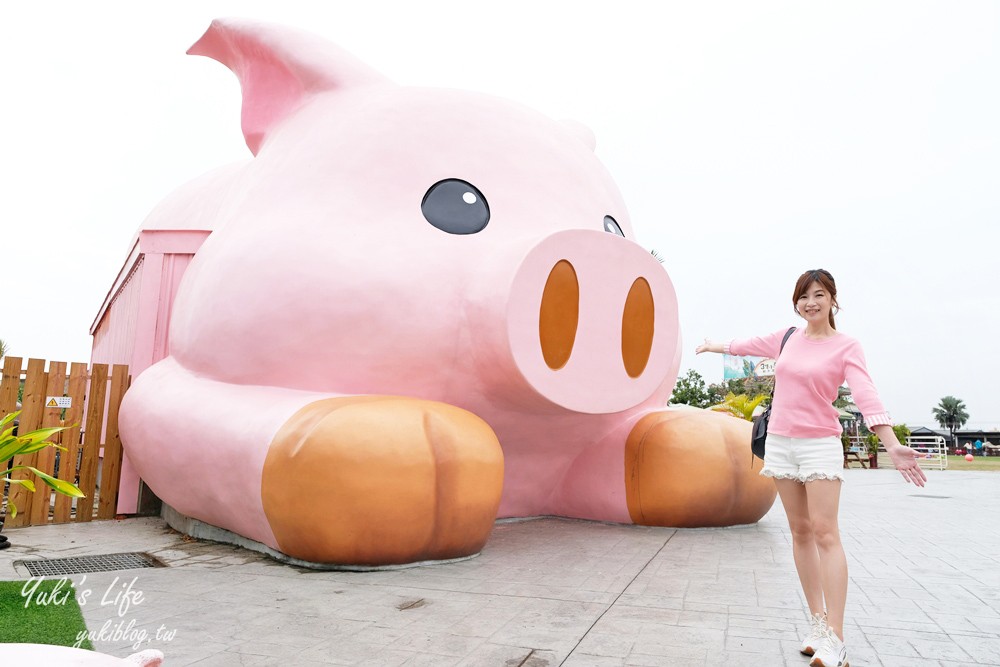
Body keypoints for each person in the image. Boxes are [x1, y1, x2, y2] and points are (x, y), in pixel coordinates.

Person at [696, 268, 927, 667]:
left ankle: (836, 636)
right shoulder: (787, 338)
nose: (811, 303)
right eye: (804, 296)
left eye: (819, 294)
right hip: (781, 444)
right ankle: (818, 624)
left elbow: (866, 394)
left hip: (819, 444)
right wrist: (714, 345)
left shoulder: (846, 346)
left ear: (832, 300)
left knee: (824, 532)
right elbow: (745, 345)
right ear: (796, 302)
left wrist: (890, 442)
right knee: (800, 532)